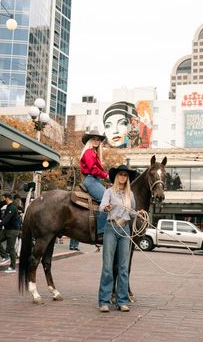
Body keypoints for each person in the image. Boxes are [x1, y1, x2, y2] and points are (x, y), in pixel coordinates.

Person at [98, 164, 139, 313]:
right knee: (108, 266)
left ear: (127, 178)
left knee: (123, 267)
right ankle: (104, 301)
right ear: (116, 176)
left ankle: (122, 301)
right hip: (111, 227)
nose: (122, 177)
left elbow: (132, 212)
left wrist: (138, 213)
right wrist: (106, 207)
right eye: (120, 174)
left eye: (125, 175)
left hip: (125, 229)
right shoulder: (109, 192)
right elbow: (101, 206)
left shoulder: (130, 195)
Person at [80, 129, 109, 239]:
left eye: (98, 140)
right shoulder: (89, 152)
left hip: (95, 180)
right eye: (94, 139)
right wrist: (106, 175)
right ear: (89, 141)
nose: (96, 141)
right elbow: (92, 169)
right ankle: (101, 231)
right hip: (91, 180)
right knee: (107, 201)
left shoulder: (94, 153)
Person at [0, 193, 21, 273]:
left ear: (7, 198)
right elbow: (5, 219)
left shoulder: (12, 207)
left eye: (3, 198)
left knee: (11, 248)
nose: (2, 200)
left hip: (13, 230)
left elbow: (7, 219)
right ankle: (5, 256)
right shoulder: (8, 207)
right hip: (7, 229)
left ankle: (13, 267)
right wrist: (0, 221)